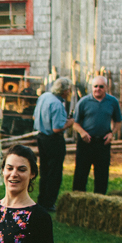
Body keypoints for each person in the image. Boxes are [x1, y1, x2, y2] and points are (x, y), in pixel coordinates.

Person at [72, 76, 122, 194]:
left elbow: (118, 121)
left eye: (101, 86)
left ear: (106, 87)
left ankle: (100, 199)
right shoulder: (84, 102)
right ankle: (78, 199)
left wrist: (112, 134)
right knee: (81, 173)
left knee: (102, 175)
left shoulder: (112, 102)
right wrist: (82, 132)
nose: (98, 89)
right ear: (92, 87)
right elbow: (74, 123)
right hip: (86, 143)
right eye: (95, 86)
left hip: (102, 143)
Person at [33, 78, 74, 211]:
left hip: (41, 137)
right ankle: (49, 202)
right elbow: (57, 128)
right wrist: (70, 122)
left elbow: (34, 117)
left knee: (44, 170)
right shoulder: (57, 104)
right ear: (65, 91)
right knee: (54, 172)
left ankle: (42, 199)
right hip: (53, 139)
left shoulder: (44, 96)